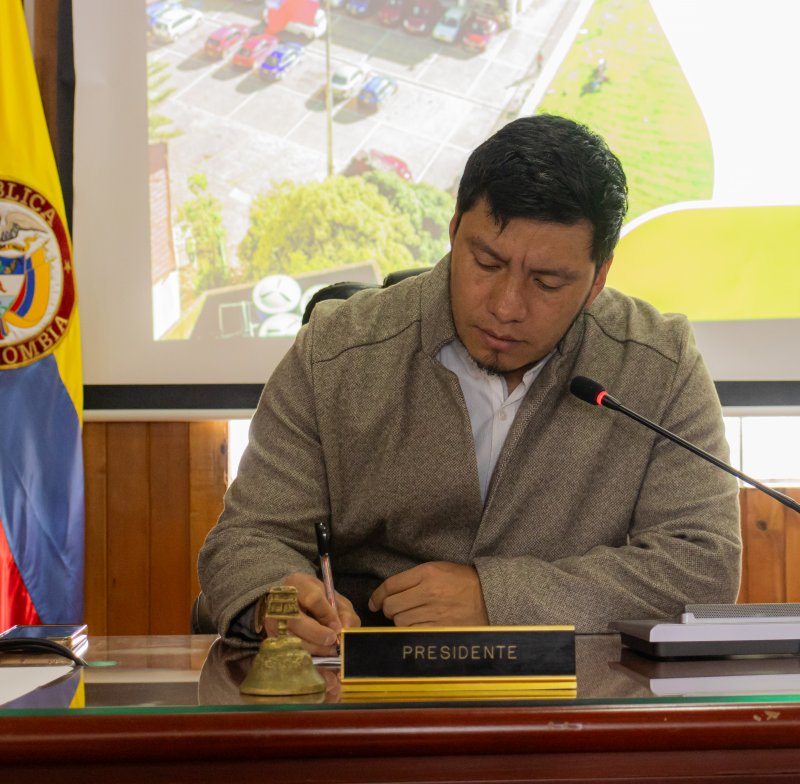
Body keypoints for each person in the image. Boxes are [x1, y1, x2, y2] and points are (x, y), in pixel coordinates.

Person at [198, 114, 741, 655]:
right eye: (486, 262)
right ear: (454, 229)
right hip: (362, 694)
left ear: (599, 277)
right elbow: (248, 541)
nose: (507, 307)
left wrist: (497, 599)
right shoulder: (338, 352)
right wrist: (280, 599)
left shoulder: (658, 364)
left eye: (547, 282)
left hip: (576, 707)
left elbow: (702, 563)